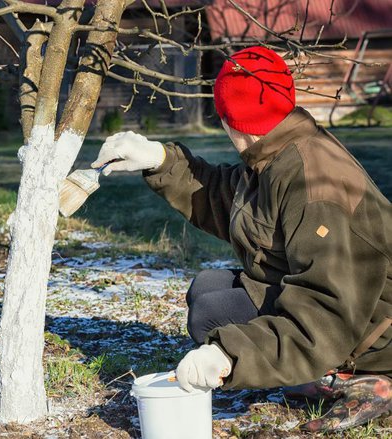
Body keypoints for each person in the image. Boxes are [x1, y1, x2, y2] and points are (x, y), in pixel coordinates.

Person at [92, 46, 391, 432]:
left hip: (370, 332)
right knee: (207, 289)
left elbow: (328, 312)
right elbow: (226, 200)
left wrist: (231, 355)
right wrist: (159, 160)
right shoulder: (276, 150)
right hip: (348, 310)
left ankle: (354, 375)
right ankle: (319, 370)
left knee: (213, 314)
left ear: (230, 117)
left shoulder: (314, 185)